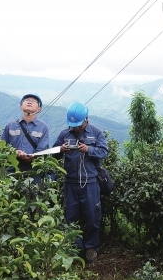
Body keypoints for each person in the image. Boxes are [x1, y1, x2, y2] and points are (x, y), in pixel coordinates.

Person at [53, 101, 109, 263]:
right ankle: (74, 248)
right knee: (71, 217)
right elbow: (54, 154)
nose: (76, 128)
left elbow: (104, 152)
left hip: (90, 183)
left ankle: (91, 247)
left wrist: (89, 149)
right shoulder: (64, 134)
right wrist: (60, 149)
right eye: (74, 125)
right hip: (70, 182)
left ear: (86, 119)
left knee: (92, 216)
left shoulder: (96, 133)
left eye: (79, 125)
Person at [0, 93, 50, 174]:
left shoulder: (43, 128)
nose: (29, 102)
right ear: (21, 106)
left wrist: (32, 156)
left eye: (34, 101)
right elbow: (2, 147)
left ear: (39, 109)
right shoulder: (10, 125)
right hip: (11, 170)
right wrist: (14, 153)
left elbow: (43, 151)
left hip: (33, 172)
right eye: (27, 100)